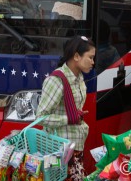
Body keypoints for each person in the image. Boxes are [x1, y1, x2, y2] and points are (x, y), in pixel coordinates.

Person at [36, 35, 96, 181]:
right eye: (90, 57)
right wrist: (69, 118)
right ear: (76, 56)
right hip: (57, 150)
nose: (93, 62)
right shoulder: (56, 81)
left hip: (75, 147)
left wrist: (76, 114)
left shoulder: (79, 77)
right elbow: (41, 117)